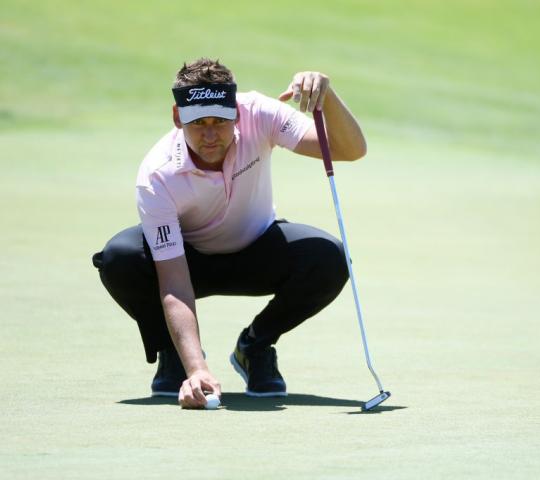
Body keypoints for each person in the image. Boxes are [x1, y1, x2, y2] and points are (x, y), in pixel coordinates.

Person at [91, 58, 366, 408]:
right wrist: (198, 369)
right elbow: (174, 283)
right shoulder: (157, 174)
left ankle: (254, 345)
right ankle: (175, 354)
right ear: (178, 118)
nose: (209, 134)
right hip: (188, 261)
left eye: (220, 121)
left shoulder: (260, 113)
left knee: (329, 257)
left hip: (257, 250)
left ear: (236, 112)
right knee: (120, 257)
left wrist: (327, 98)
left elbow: (350, 150)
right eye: (197, 123)